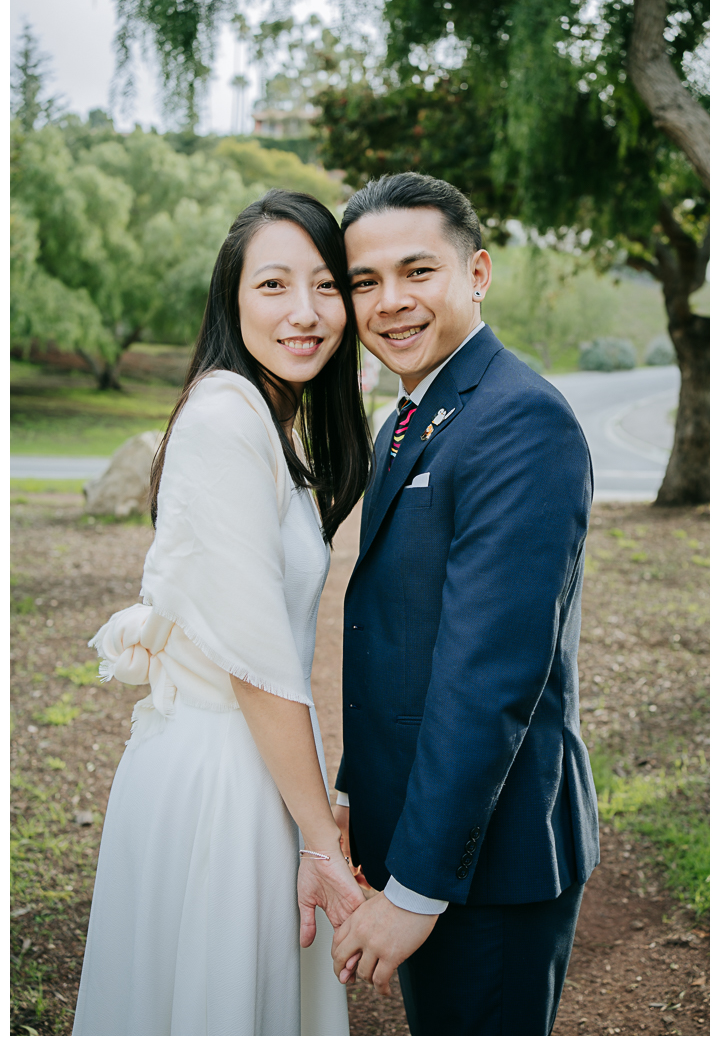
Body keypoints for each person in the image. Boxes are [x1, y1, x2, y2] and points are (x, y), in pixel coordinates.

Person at [72, 189, 373, 1036]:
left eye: (325, 286)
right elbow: (254, 658)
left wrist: (316, 809)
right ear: (231, 298)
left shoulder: (269, 419)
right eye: (273, 286)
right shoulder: (222, 421)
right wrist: (320, 838)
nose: (306, 313)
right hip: (224, 775)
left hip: (264, 762)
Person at [330, 173, 600, 1035]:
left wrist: (415, 891)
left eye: (418, 272)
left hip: (489, 862)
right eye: (365, 282)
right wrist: (353, 792)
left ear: (476, 272)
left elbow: (489, 678)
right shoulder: (410, 415)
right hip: (420, 827)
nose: (390, 303)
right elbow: (398, 636)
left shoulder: (521, 421)